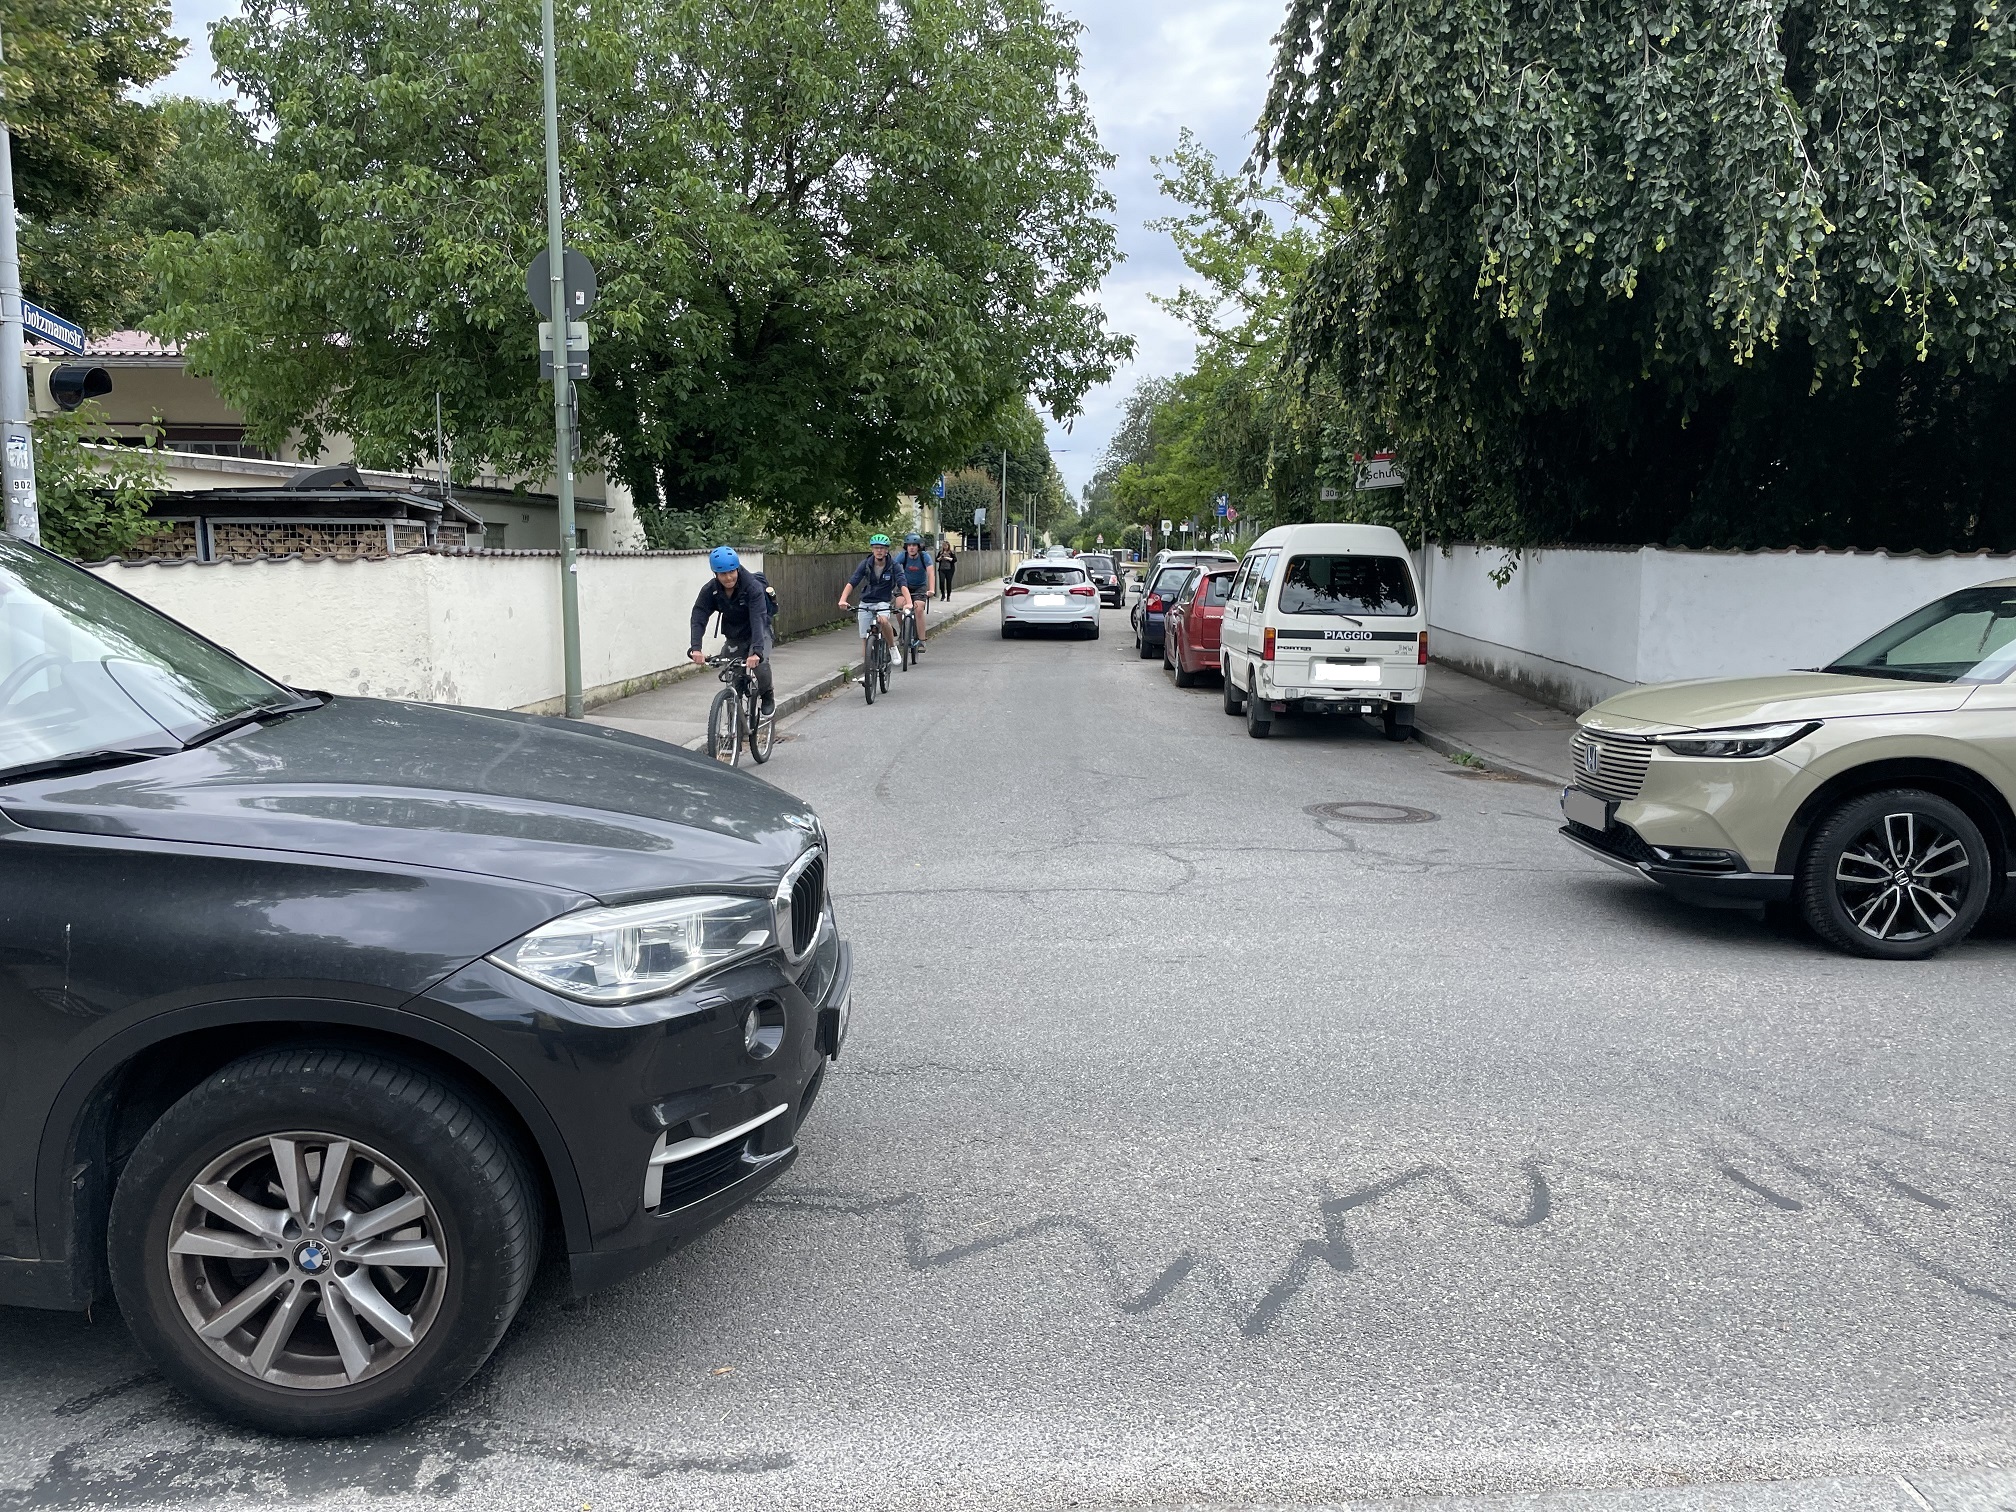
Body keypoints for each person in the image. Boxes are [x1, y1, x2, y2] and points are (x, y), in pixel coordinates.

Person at [688, 545, 773, 713]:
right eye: (722, 574)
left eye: (731, 572)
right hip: (735, 634)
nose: (728, 578)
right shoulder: (711, 590)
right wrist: (695, 647)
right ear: (715, 574)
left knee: (760, 664)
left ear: (737, 569)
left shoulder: (752, 587)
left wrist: (756, 651)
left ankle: (767, 693)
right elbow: (699, 615)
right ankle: (735, 727)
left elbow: (758, 618)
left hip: (759, 631)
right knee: (733, 676)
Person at [837, 533, 911, 677]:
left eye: (882, 548)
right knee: (865, 637)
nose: (879, 551)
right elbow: (853, 581)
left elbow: (902, 583)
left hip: (883, 600)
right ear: (872, 549)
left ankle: (892, 647)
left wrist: (908, 602)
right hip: (866, 601)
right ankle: (868, 670)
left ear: (887, 550)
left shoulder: (893, 566)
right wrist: (843, 600)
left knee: (883, 620)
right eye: (876, 548)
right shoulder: (866, 564)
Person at [896, 533, 935, 649]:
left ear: (919, 547)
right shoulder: (903, 556)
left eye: (914, 545)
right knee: (898, 606)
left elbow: (930, 573)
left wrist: (931, 589)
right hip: (905, 586)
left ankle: (922, 640)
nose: (911, 548)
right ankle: (904, 631)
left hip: (920, 587)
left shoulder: (924, 557)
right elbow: (893, 569)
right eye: (909, 545)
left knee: (918, 608)